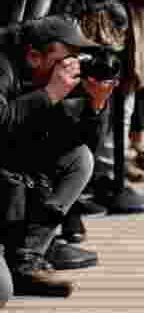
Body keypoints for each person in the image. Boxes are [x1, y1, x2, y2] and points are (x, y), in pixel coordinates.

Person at [0, 17, 118, 296]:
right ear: (34, 56)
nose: (73, 66)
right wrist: (50, 93)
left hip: (17, 166)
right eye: (66, 58)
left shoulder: (57, 76)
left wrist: (96, 104)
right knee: (2, 292)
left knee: (80, 159)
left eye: (78, 57)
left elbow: (84, 145)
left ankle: (28, 258)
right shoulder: (3, 66)